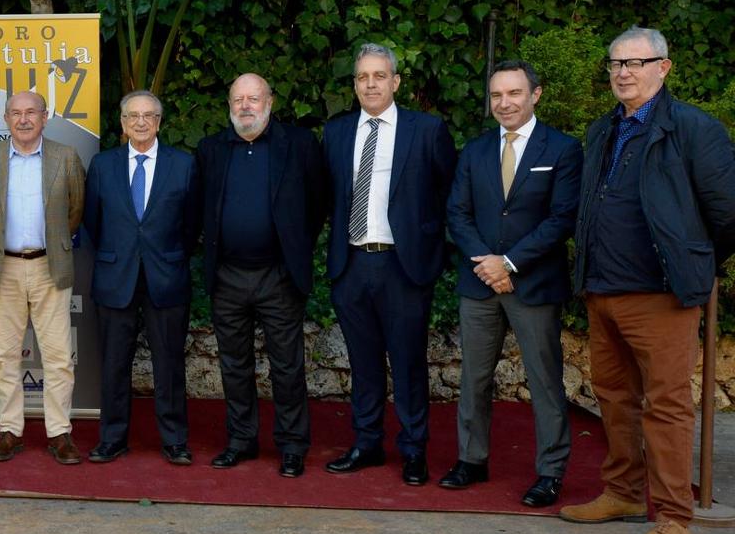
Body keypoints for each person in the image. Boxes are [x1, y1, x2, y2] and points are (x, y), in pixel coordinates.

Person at [560, 27, 735, 534]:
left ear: (665, 67)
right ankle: (623, 492)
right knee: (614, 399)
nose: (624, 72)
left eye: (637, 62)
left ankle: (674, 517)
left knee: (666, 406)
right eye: (616, 64)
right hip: (602, 289)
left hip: (660, 295)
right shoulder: (602, 130)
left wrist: (696, 264)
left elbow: (726, 214)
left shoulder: (693, 129)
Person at [442, 60, 581, 506]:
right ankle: (471, 460)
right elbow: (457, 213)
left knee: (544, 381)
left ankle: (550, 472)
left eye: (514, 93)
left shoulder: (561, 149)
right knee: (474, 379)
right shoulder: (476, 150)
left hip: (533, 284)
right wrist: (487, 263)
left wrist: (510, 263)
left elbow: (562, 219)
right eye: (497, 95)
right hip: (480, 282)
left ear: (535, 94)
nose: (505, 103)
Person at [321, 43, 456, 486]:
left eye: (380, 76)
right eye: (363, 77)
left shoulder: (427, 131)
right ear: (355, 84)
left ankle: (414, 449)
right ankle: (367, 442)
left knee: (409, 362)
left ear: (396, 82)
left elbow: (446, 198)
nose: (371, 84)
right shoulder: (337, 133)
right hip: (352, 263)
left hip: (403, 266)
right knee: (362, 363)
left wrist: (430, 256)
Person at [196, 73, 323, 478]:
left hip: (278, 275)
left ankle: (291, 445)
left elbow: (318, 204)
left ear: (270, 100)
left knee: (287, 366)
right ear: (229, 105)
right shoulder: (212, 149)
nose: (245, 106)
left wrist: (292, 252)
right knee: (233, 365)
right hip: (228, 275)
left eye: (253, 98)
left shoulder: (299, 145)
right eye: (238, 99)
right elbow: (200, 207)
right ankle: (240, 441)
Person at [84, 90, 200, 466]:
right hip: (115, 276)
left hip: (165, 277)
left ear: (159, 122)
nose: (140, 122)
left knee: (169, 364)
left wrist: (163, 255)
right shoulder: (103, 165)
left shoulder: (183, 165)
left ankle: (174, 440)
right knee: (114, 364)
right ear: (121, 122)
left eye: (148, 116)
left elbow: (191, 225)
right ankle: (113, 438)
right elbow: (93, 223)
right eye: (132, 115)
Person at [0, 90, 86, 465]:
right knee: (5, 356)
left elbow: (75, 210)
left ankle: (59, 432)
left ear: (44, 117)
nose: (23, 119)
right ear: (5, 119)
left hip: (49, 265)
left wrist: (52, 244)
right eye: (16, 113)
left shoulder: (66, 157)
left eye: (31, 113)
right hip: (2, 267)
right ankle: (10, 430)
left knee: (57, 357)